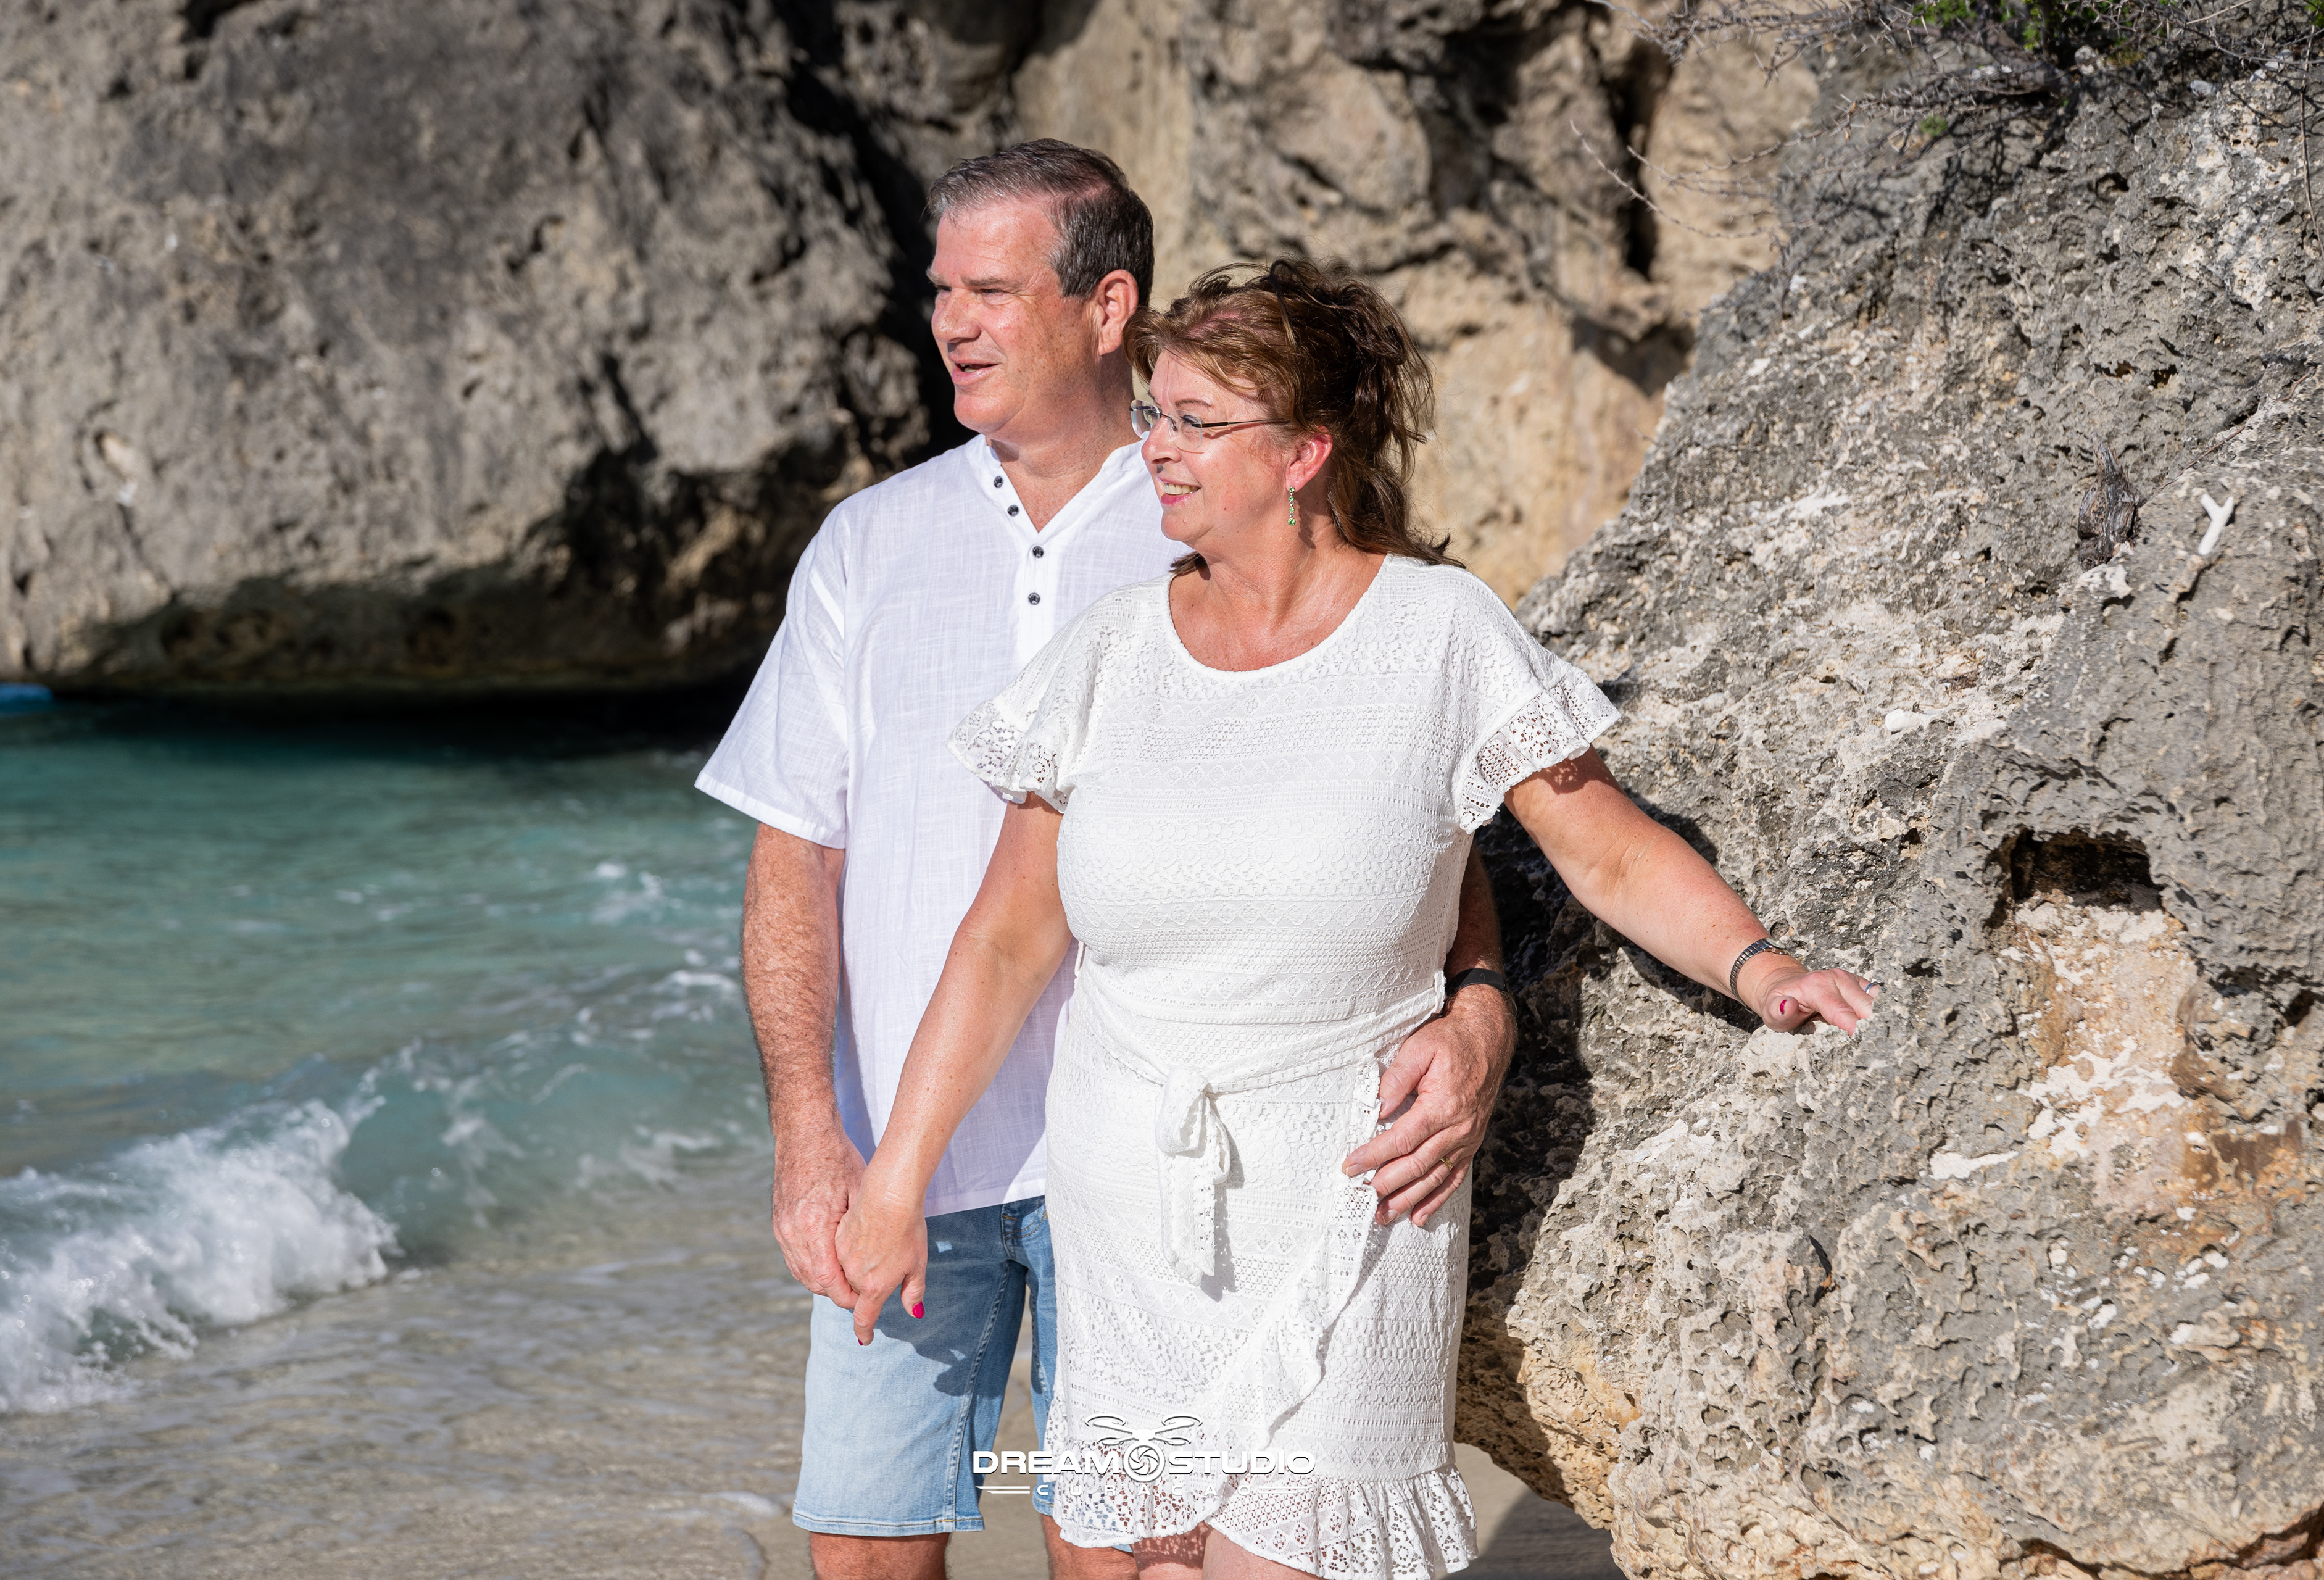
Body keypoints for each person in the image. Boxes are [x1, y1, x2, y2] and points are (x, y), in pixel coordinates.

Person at [832, 259, 1879, 1580]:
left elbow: (1606, 851)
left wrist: (1761, 965)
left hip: (1355, 1193)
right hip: (1128, 1209)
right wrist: (896, 1180)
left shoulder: (1439, 634)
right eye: (1153, 413)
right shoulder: (1108, 649)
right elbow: (1003, 943)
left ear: (1305, 451)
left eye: (1197, 420)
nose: (1155, 447)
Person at [696, 146, 1518, 1580]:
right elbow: (794, 853)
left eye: (992, 289)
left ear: (1107, 305)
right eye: (941, 288)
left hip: (1154, 1175)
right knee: (861, 1543)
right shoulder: (865, 544)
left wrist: (1480, 999)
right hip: (908, 1155)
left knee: (1126, 1556)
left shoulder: (1214, 518)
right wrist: (811, 1135)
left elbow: (1403, 797)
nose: (951, 321)